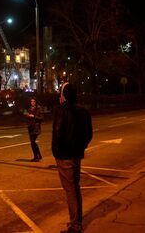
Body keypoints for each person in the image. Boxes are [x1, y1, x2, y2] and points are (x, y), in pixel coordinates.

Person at [51, 83, 93, 233]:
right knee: (76, 187)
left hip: (64, 155)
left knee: (70, 189)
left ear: (63, 95)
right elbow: (89, 134)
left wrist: (56, 152)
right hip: (76, 154)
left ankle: (75, 224)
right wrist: (81, 147)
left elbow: (57, 133)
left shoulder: (60, 111)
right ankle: (77, 221)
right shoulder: (83, 111)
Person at [26, 97, 43, 161]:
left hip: (36, 127)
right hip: (30, 127)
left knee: (33, 142)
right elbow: (28, 117)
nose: (32, 103)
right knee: (32, 142)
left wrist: (34, 116)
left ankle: (36, 156)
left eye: (33, 101)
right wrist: (28, 116)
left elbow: (41, 118)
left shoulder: (38, 108)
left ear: (36, 102)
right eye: (31, 101)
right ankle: (38, 155)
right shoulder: (29, 109)